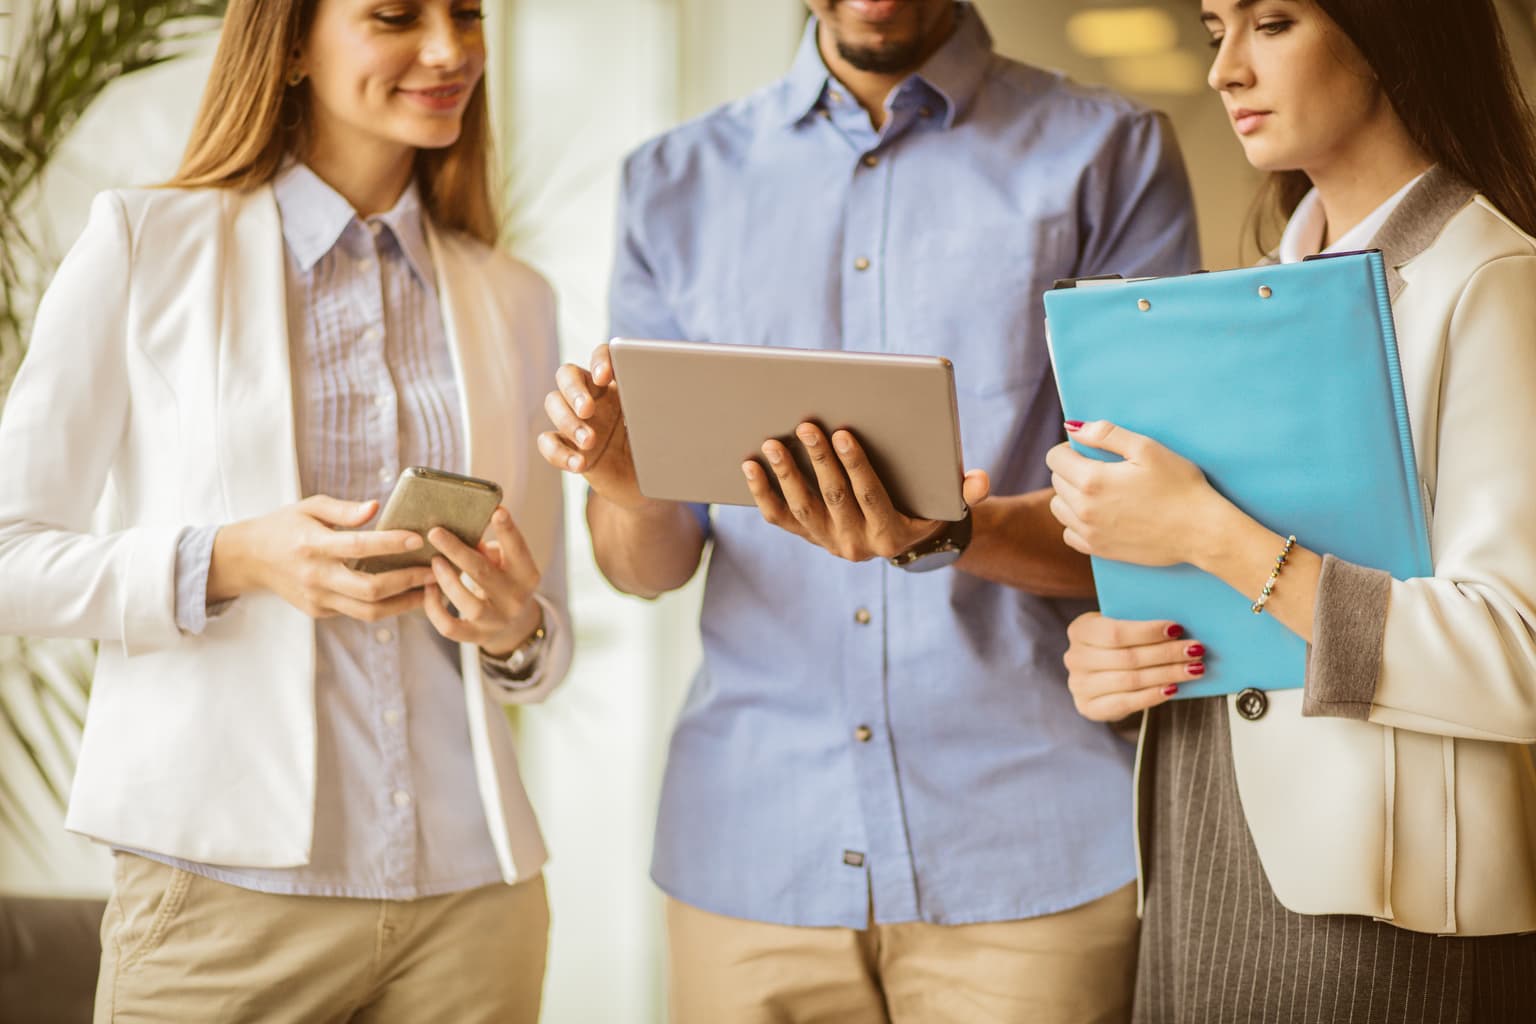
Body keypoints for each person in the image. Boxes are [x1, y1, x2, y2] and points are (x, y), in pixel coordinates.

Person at [541, 2, 1197, 1020]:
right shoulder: (672, 182)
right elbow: (646, 568)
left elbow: (1162, 533)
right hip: (752, 857)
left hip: (1031, 852)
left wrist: (948, 534)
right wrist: (624, 486)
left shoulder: (1110, 153)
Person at [0, 1, 572, 1020]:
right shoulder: (145, 244)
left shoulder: (515, 297)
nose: (449, 50)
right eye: (395, 16)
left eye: (467, 14)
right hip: (220, 904)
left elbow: (545, 638)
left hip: (475, 906)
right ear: (294, 40)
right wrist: (233, 558)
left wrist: (512, 626)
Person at [1046, 0, 1536, 1020]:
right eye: (1214, 28)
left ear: (1393, 32)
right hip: (1200, 845)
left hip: (1384, 907)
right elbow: (1250, 609)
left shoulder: (1495, 280)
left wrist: (1205, 533)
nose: (1224, 69)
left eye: (1270, 22)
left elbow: (1517, 654)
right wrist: (1125, 653)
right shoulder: (1261, 296)